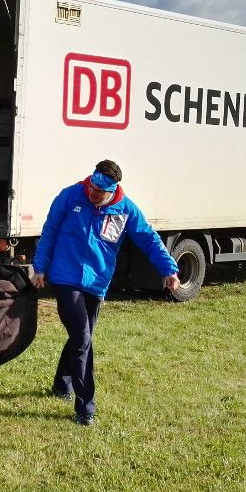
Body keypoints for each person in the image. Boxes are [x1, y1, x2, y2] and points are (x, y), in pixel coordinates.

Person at [31, 159, 180, 426]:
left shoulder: (126, 209)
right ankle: (85, 406)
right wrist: (40, 267)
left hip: (97, 283)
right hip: (65, 278)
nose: (93, 193)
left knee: (81, 338)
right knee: (83, 337)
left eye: (100, 191)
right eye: (91, 186)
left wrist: (169, 269)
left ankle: (61, 384)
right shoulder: (70, 196)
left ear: (113, 191)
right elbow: (49, 232)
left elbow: (148, 239)